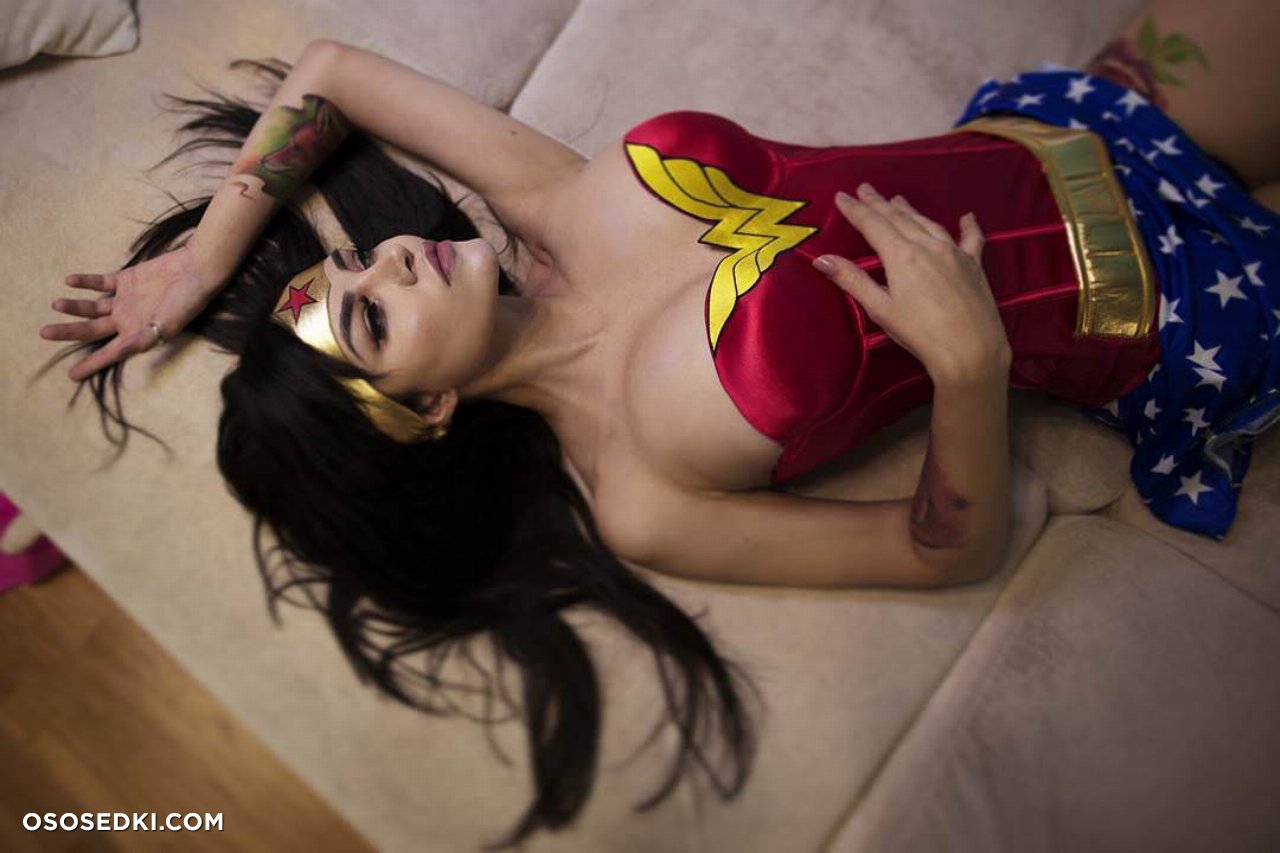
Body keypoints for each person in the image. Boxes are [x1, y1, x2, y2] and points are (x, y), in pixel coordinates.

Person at [36, 0, 1280, 846]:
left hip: (1082, 122)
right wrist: (966, 368)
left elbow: (332, 72)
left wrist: (205, 261)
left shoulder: (554, 204)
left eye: (353, 264)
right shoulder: (639, 490)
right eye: (368, 317)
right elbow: (943, 546)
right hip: (1180, 315)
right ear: (428, 412)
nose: (393, 258)